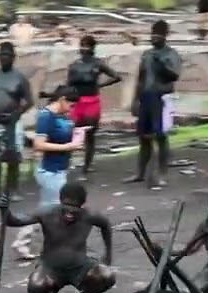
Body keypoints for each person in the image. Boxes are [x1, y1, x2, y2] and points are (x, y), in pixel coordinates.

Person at [0, 182, 115, 293]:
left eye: (75, 208)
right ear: (60, 201)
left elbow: (106, 225)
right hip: (51, 266)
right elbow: (14, 221)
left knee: (107, 276)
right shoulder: (46, 213)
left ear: (82, 206)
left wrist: (108, 254)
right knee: (36, 286)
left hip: (80, 265)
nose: (70, 212)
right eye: (66, 206)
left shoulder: (89, 216)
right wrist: (5, 211)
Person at [126, 20, 182, 189]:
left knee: (161, 136)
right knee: (144, 136)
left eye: (158, 34)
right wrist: (135, 100)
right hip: (146, 98)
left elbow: (174, 76)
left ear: (165, 36)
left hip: (162, 98)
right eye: (152, 34)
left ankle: (162, 173)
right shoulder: (146, 54)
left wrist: (161, 63)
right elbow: (140, 78)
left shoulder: (171, 54)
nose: (154, 37)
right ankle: (140, 173)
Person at [0, 42, 33, 201]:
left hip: (12, 121)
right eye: (2, 55)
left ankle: (14, 189)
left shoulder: (19, 78)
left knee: (13, 157)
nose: (4, 58)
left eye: (7, 55)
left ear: (13, 58)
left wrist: (17, 113)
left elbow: (29, 101)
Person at [65, 35, 122, 176]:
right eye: (82, 45)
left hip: (92, 101)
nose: (84, 48)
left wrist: (100, 85)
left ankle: (87, 165)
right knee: (72, 133)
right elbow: (68, 85)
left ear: (92, 48)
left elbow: (117, 77)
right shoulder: (74, 65)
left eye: (87, 45)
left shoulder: (98, 64)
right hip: (77, 102)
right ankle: (66, 162)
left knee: (90, 134)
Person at [31, 86, 84, 210]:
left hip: (60, 168)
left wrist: (78, 134)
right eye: (71, 105)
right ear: (62, 99)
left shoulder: (62, 115)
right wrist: (66, 147)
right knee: (55, 206)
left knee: (49, 204)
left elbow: (61, 133)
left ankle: (35, 225)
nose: (72, 109)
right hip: (49, 169)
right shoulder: (46, 116)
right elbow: (39, 144)